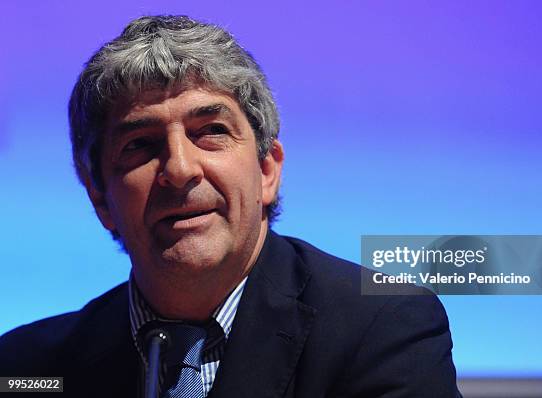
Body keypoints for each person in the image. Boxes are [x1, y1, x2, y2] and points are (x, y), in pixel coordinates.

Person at [0, 15, 461, 397]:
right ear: (99, 196)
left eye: (211, 131)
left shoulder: (384, 330)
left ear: (266, 170)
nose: (179, 169)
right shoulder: (27, 367)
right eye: (140, 145)